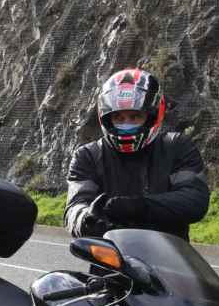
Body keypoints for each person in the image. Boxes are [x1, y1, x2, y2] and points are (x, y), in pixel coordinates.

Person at [64, 68, 210, 241]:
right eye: (118, 117)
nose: (126, 124)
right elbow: (74, 208)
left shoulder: (177, 146)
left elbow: (194, 200)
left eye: (134, 117)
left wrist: (139, 207)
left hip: (169, 255)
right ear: (106, 119)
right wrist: (88, 219)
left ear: (152, 115)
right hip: (111, 257)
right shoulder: (87, 155)